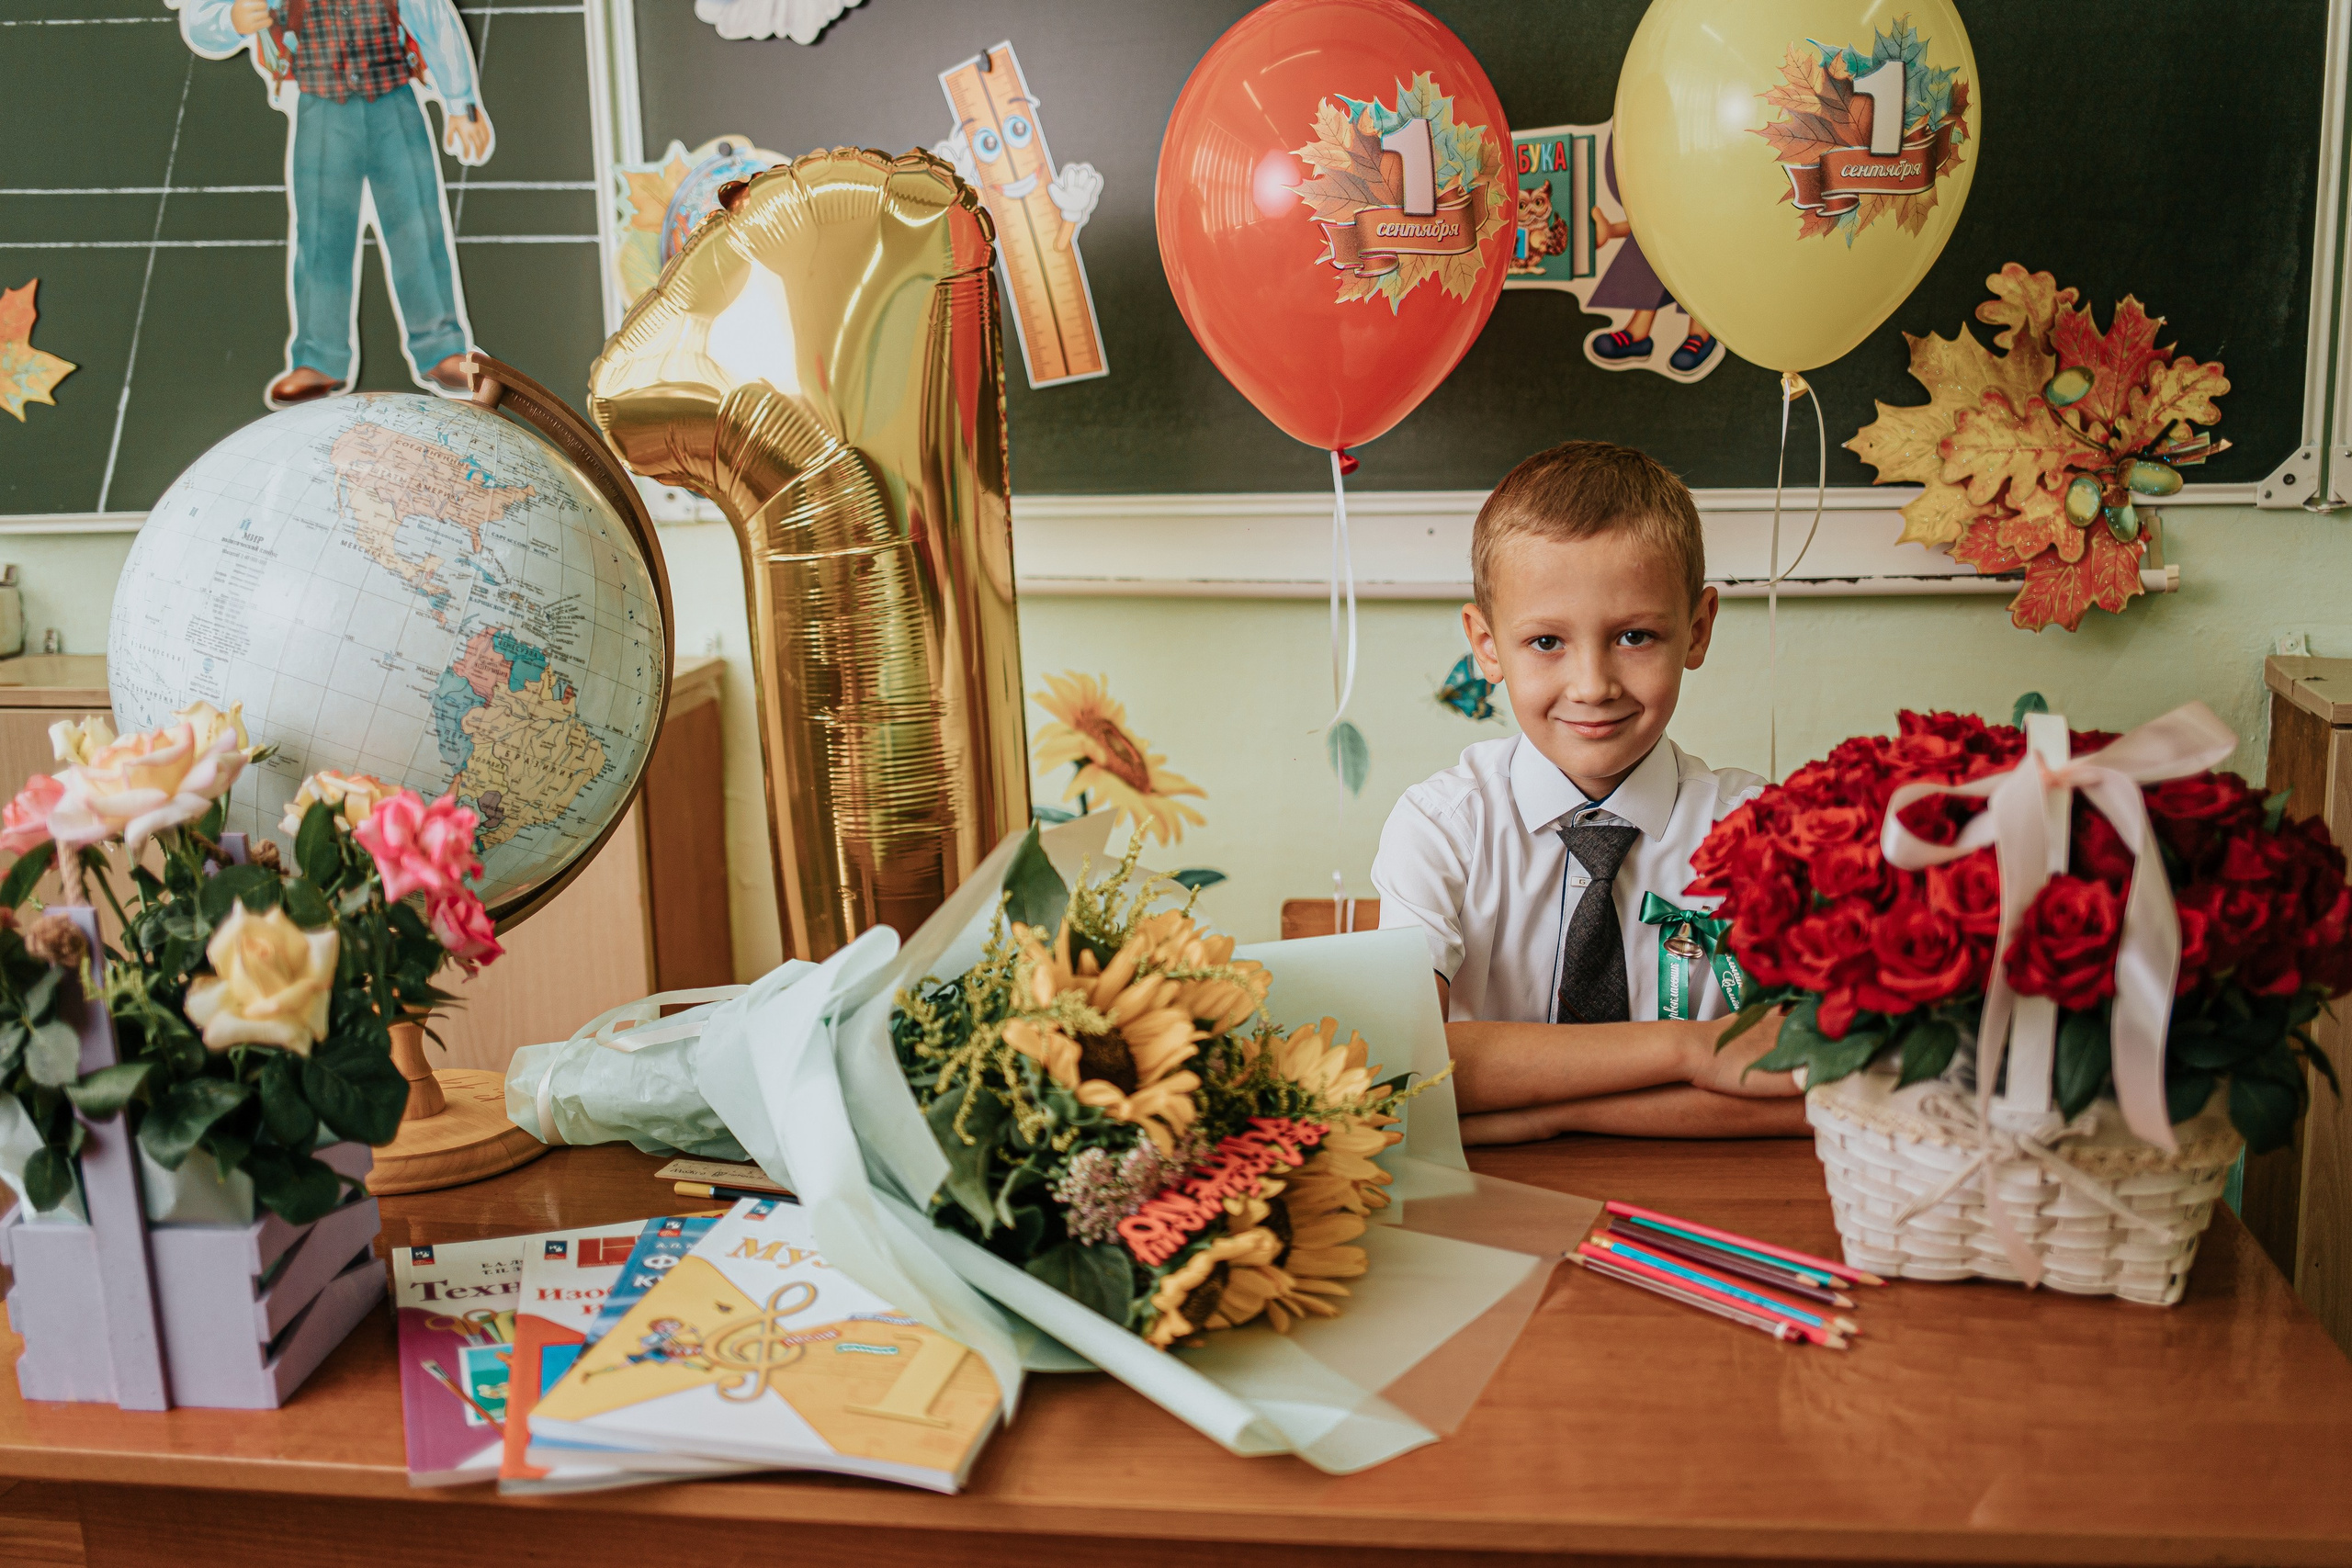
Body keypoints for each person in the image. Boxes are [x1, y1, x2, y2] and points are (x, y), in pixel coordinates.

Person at [1372, 441, 1806, 1145]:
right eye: (1547, 642)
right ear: (1486, 644)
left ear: (1697, 630)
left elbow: (1825, 1093)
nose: (1593, 685)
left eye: (1635, 635)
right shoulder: (1442, 827)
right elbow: (1404, 1066)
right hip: (1493, 1193)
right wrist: (1691, 1050)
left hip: (1708, 1190)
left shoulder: (1763, 829)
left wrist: (1549, 1113)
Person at [175, 0, 492, 407]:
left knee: (417, 224)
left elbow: (433, 18)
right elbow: (201, 16)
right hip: (321, 106)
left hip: (394, 100)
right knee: (322, 234)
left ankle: (441, 347)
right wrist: (230, 20)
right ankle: (319, 357)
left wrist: (461, 103)